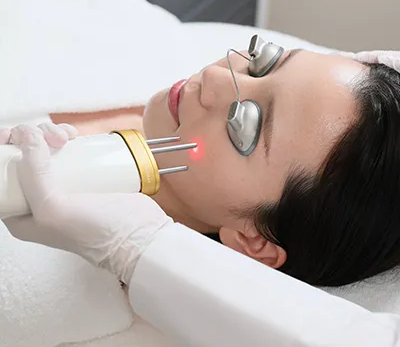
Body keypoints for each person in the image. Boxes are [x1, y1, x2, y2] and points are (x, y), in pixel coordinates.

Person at [2, 47, 400, 289]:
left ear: (255, 242)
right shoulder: (136, 39)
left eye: (245, 124)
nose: (214, 77)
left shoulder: (81, 300)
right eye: (261, 62)